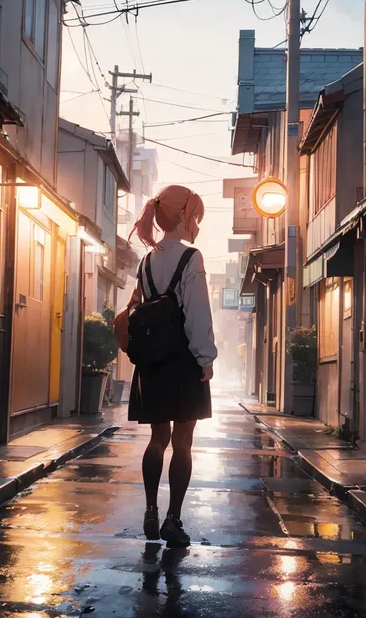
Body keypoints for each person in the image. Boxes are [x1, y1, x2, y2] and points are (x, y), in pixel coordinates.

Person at [127, 185, 217, 548]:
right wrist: (205, 359)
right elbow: (197, 314)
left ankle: (150, 511)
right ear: (183, 215)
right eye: (195, 214)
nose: (196, 222)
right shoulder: (191, 258)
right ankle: (172, 520)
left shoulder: (147, 260)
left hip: (152, 362)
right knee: (182, 444)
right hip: (182, 361)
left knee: (157, 440)